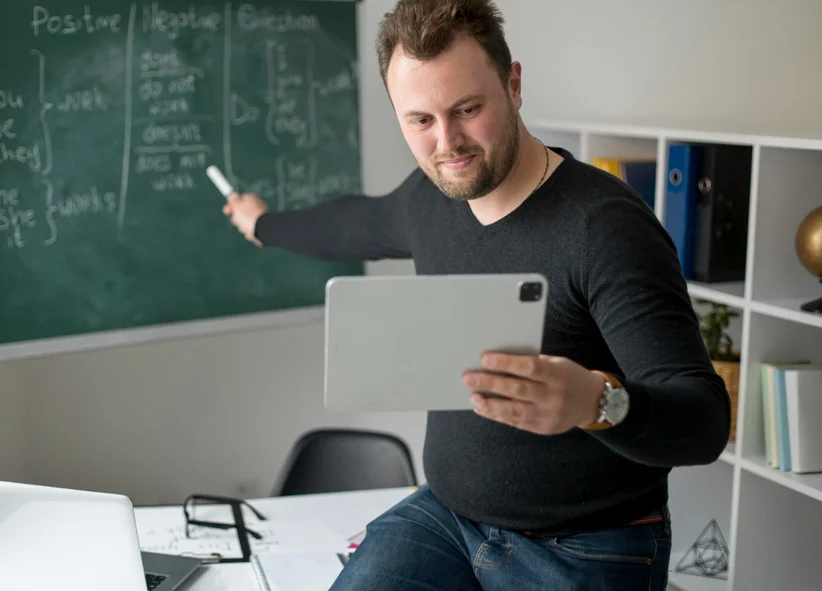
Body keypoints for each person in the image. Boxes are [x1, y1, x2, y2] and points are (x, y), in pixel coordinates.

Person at [223, 0, 730, 588]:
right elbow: (350, 222)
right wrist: (265, 225)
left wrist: (597, 402)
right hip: (447, 517)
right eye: (420, 120)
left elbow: (705, 419)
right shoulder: (428, 200)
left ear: (513, 85)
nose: (448, 143)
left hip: (584, 543)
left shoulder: (606, 228)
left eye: (468, 109)